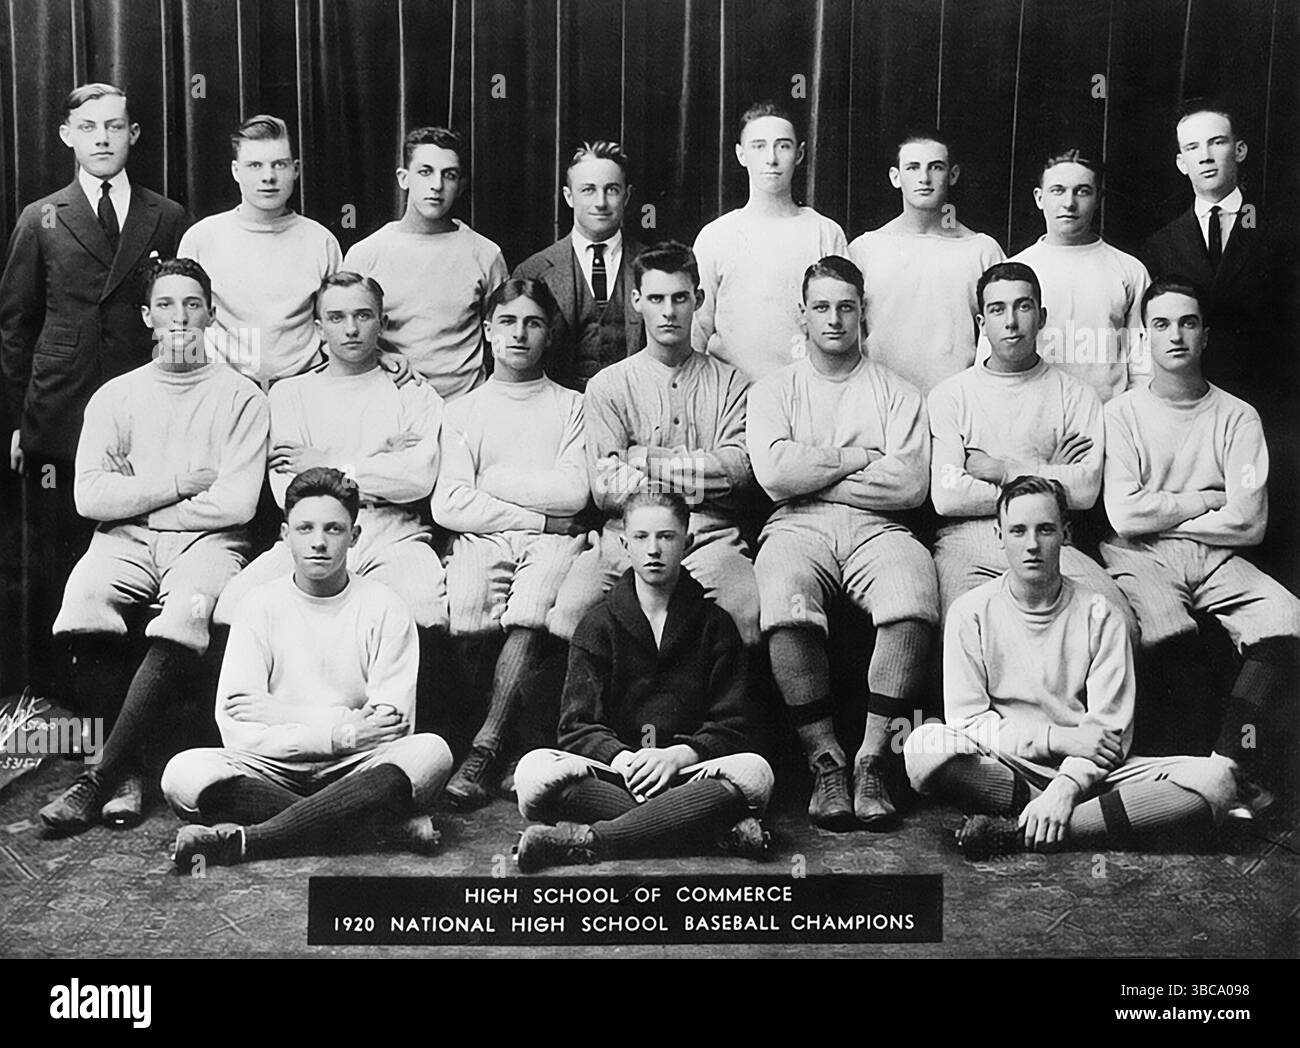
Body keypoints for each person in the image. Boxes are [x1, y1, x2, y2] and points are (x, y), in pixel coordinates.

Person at [36, 258, 268, 833]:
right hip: (126, 540)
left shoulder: (242, 397)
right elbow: (90, 497)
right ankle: (132, 771)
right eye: (166, 305)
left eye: (193, 304)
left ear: (212, 314)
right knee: (85, 598)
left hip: (210, 543)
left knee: (186, 610)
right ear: (146, 317)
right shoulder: (117, 396)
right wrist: (176, 487)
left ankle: (99, 777)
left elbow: (236, 503)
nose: (180, 317)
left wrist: (136, 495)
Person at [904, 475, 1236, 860]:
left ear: (1066, 534)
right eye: (1018, 531)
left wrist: (1066, 787)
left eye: (1045, 530)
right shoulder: (971, 612)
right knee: (923, 746)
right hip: (1010, 762)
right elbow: (969, 723)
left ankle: (1024, 831)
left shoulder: (1100, 615)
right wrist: (1055, 739)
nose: (1032, 545)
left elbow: (1109, 734)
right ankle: (1050, 812)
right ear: (999, 535)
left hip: (1094, 770)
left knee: (1219, 779)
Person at [162, 467, 453, 867]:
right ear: (285, 535)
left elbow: (392, 724)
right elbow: (238, 730)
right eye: (305, 529)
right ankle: (378, 830)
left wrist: (281, 715)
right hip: (272, 766)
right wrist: (339, 731)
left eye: (334, 529)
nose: (319, 542)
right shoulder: (257, 606)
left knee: (430, 753)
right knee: (183, 772)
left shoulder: (385, 607)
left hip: (357, 768)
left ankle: (255, 840)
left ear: (354, 537)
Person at [0, 83, 188, 698]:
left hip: (144, 409)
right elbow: (16, 326)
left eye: (114, 126)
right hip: (60, 410)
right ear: (67, 136)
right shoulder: (42, 216)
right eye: (89, 127)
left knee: (138, 548)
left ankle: (132, 701)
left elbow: (185, 310)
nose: (102, 138)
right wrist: (17, 424)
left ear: (134, 134)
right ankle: (59, 694)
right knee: (60, 555)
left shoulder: (167, 215)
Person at [748, 256, 938, 830]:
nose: (834, 319)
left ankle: (872, 759)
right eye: (822, 308)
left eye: (846, 307)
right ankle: (825, 758)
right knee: (784, 600)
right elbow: (776, 476)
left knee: (912, 595)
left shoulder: (897, 392)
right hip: (795, 524)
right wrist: (859, 458)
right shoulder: (774, 390)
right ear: (802, 317)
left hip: (878, 529)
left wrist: (813, 463)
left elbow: (908, 484)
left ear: (864, 314)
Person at [1100, 277, 1300, 815]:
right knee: (1168, 631)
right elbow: (1124, 514)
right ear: (1144, 336)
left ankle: (1231, 763)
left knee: (1288, 618)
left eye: (1188, 323)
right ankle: (1171, 784)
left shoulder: (1237, 416)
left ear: (1206, 335)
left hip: (1216, 556)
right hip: (1137, 553)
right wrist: (1203, 500)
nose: (1175, 335)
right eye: (1161, 324)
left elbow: (1249, 522)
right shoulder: (1121, 414)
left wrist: (1165, 511)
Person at [511, 490, 773, 872]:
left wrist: (677, 756)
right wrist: (626, 759)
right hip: (619, 773)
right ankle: (711, 832)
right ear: (624, 545)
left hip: (688, 774)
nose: (654, 549)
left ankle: (590, 841)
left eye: (666, 537)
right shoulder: (597, 624)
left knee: (754, 772)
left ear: (688, 542)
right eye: (641, 537)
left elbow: (732, 724)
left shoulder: (715, 625)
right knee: (533, 771)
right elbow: (577, 726)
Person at [548, 240, 759, 646]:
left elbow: (736, 471)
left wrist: (643, 459)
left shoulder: (732, 383)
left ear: (697, 299)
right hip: (627, 537)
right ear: (636, 300)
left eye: (680, 298)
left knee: (746, 612)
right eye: (656, 298)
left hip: (708, 536)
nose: (668, 311)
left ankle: (719, 710)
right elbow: (607, 487)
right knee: (569, 612)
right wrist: (695, 470)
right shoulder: (608, 385)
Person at [212, 272, 447, 630]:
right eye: (337, 318)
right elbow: (286, 491)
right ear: (320, 329)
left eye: (363, 316)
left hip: (392, 532)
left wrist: (327, 464)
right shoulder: (289, 396)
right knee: (234, 606)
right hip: (312, 529)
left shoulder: (413, 392)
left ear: (381, 323)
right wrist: (381, 462)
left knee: (423, 611)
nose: (351, 328)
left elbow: (417, 479)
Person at [431, 278, 589, 808]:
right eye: (507, 322)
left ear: (548, 335)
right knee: (469, 607)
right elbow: (448, 503)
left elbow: (573, 490)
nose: (519, 334)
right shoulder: (461, 410)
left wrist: (489, 479)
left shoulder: (572, 405)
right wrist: (536, 516)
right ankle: (509, 746)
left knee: (533, 606)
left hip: (551, 544)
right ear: (487, 330)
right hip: (483, 536)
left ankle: (486, 747)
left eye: (533, 323)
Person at [1142, 99, 1299, 589]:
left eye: (1217, 142)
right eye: (1193, 147)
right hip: (1191, 418)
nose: (1206, 156)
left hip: (1270, 411)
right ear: (1180, 162)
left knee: (1266, 542)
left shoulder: (1282, 232)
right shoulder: (1162, 244)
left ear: (1240, 150)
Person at [928, 261, 1134, 629]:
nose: (1011, 321)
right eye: (997, 309)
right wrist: (1047, 478)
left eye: (1023, 307)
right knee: (968, 626)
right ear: (981, 324)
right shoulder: (950, 396)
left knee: (1114, 618)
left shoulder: (1076, 395)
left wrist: (1003, 471)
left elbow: (1085, 490)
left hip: (1050, 536)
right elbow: (947, 494)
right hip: (969, 539)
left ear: (1041, 317)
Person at [342, 126, 508, 401]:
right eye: (425, 171)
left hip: (463, 410)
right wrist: (382, 356)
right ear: (403, 178)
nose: (437, 185)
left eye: (449, 175)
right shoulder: (365, 254)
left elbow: (501, 338)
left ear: (461, 185)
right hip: (390, 406)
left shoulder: (486, 254)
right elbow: (345, 337)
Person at [177, 114, 342, 386]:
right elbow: (181, 325)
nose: (268, 177)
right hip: (224, 391)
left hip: (303, 389)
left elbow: (339, 321)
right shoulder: (201, 238)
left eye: (279, 164)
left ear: (296, 169)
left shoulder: (321, 241)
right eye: (255, 165)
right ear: (235, 170)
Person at [691, 101, 848, 383]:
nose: (771, 159)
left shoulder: (825, 232)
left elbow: (843, 325)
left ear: (799, 154)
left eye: (783, 146)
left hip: (807, 394)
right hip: (733, 399)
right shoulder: (716, 236)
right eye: (759, 146)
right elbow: (697, 330)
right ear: (741, 154)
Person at [849, 131, 1005, 395]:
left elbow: (997, 335)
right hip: (881, 402)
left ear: (952, 175)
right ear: (895, 177)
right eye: (913, 167)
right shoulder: (865, 249)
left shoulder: (981, 250)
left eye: (936, 167)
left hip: (959, 404)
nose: (924, 178)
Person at [1002, 149, 1150, 403]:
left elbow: (1143, 364)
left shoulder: (1129, 270)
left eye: (1082, 191)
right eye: (1058, 190)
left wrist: (1125, 420)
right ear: (1039, 198)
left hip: (1109, 420)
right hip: (1032, 417)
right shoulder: (1015, 269)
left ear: (1098, 198)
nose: (1069, 203)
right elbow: (996, 358)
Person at [512, 141, 645, 390]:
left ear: (626, 196)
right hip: (559, 412)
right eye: (588, 190)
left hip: (635, 408)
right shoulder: (533, 271)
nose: (601, 202)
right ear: (568, 196)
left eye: (612, 190)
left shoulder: (649, 267)